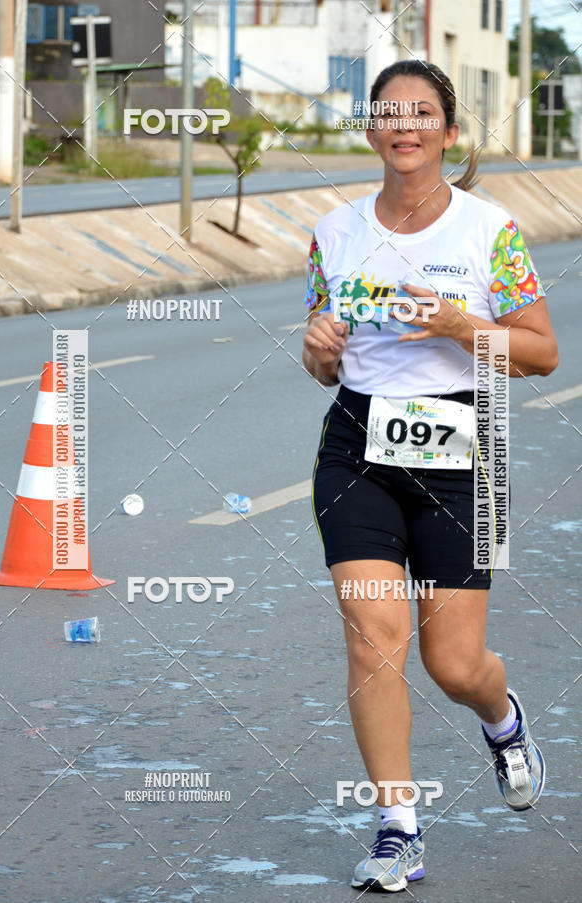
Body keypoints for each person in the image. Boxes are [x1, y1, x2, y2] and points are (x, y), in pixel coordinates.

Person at [302, 60, 558, 894]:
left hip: (464, 455)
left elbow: (540, 354)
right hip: (358, 449)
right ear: (371, 130)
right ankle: (397, 828)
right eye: (388, 113)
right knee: (375, 639)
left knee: (454, 664)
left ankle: (503, 718)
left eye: (422, 113)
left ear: (448, 132)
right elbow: (322, 352)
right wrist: (317, 349)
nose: (403, 125)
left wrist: (460, 326)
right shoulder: (334, 232)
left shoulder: (493, 233)